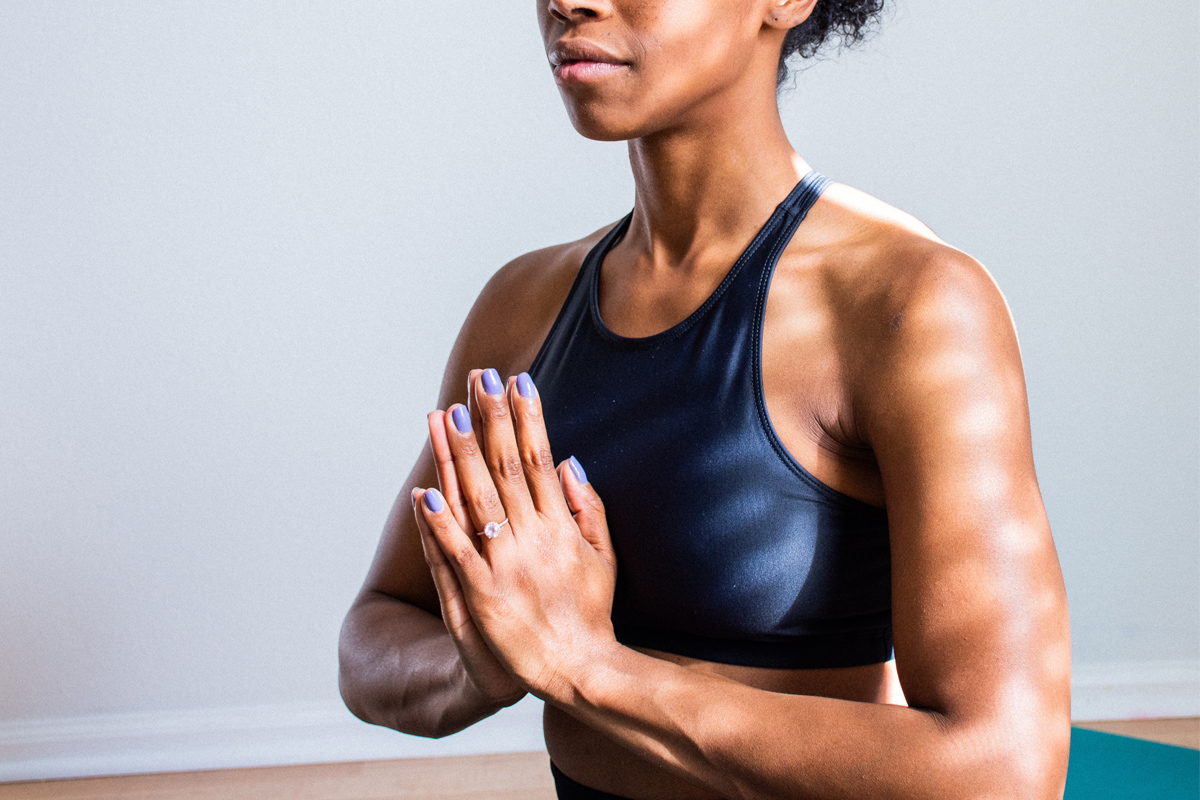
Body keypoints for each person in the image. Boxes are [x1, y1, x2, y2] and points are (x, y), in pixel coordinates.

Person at [338, 0, 1073, 797]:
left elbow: (1004, 767)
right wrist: (482, 665)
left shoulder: (910, 305)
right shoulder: (521, 305)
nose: (567, 2)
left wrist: (588, 670)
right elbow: (375, 630)